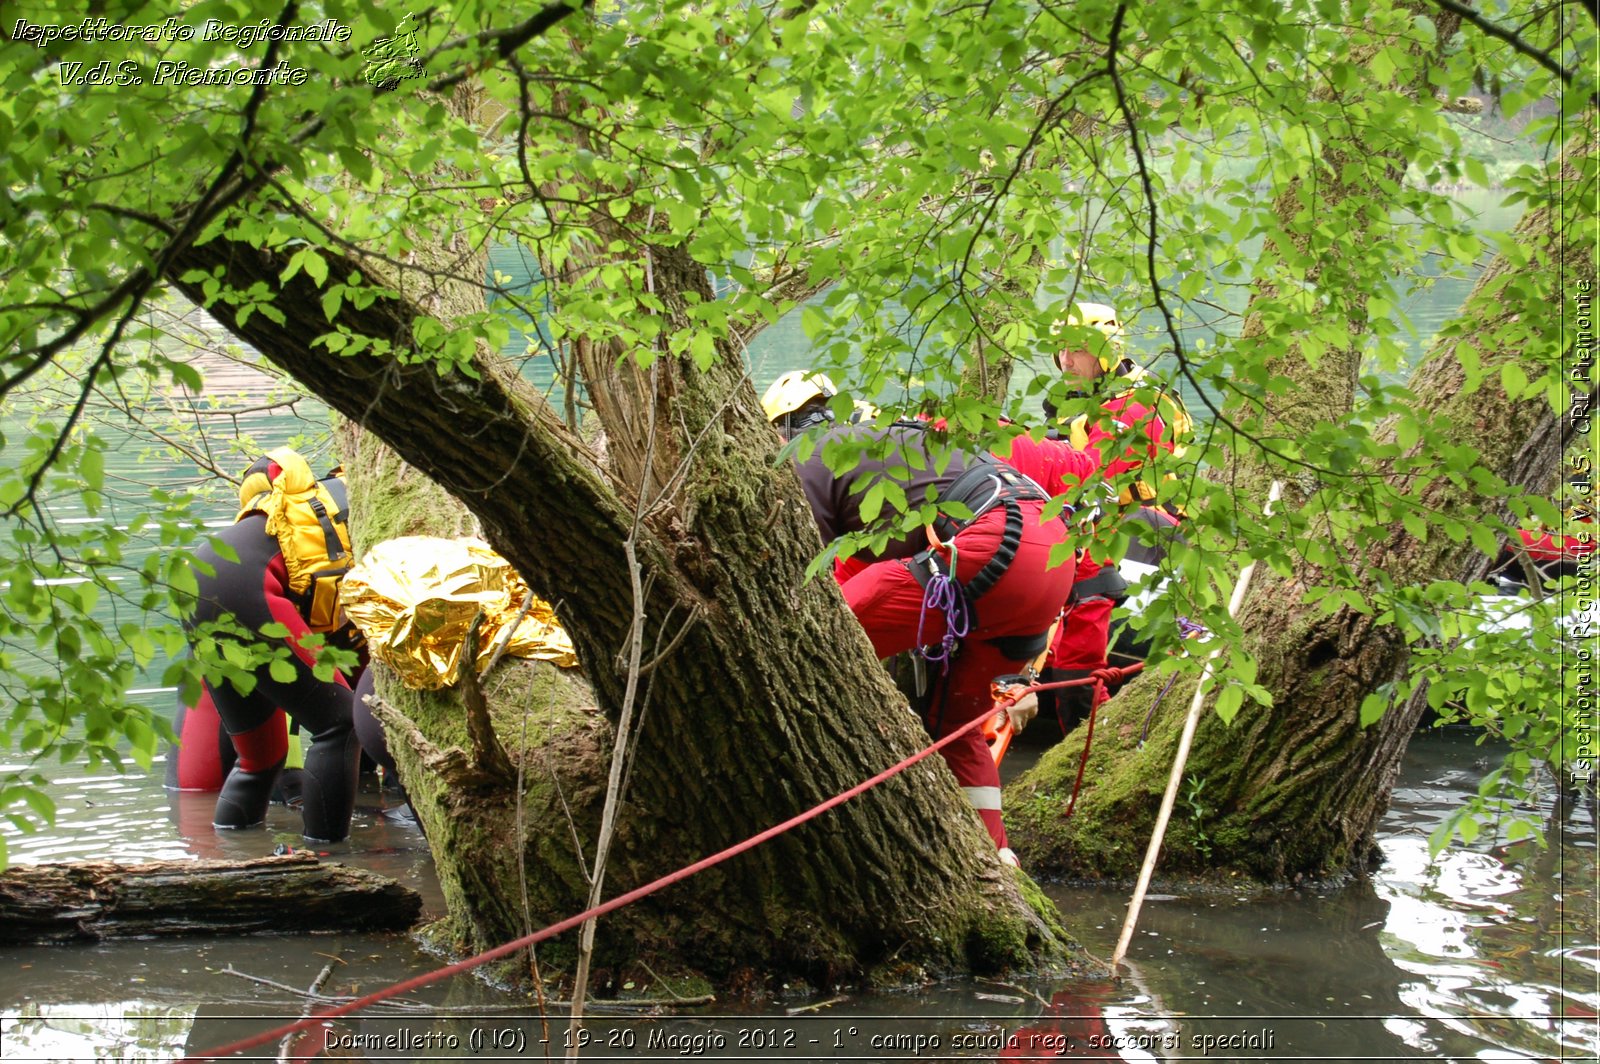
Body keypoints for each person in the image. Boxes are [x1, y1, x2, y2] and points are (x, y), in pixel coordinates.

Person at [767, 400, 1077, 861]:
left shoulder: (808, 457)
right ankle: (995, 858)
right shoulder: (894, 458)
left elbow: (801, 572)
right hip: (1053, 558)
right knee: (954, 723)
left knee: (814, 638)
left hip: (997, 543)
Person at [182, 448, 364, 842]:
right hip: (246, 584)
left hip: (198, 576)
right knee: (340, 724)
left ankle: (234, 853)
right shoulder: (373, 506)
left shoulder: (325, 499)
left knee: (259, 757)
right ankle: (329, 862)